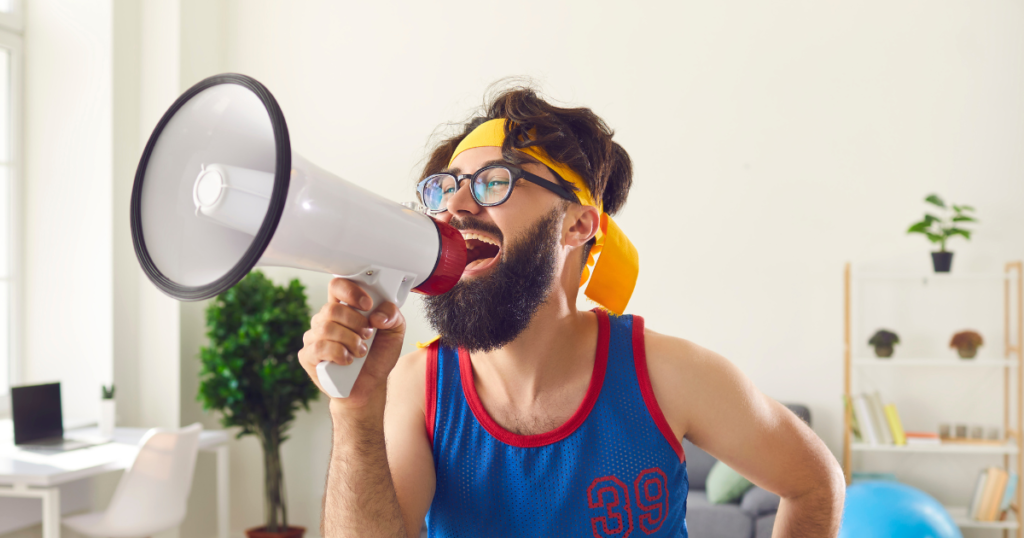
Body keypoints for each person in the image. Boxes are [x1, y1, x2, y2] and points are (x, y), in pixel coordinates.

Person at [298, 87, 845, 538]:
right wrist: (355, 414)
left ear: (578, 225)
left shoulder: (669, 375)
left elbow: (814, 483)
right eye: (447, 189)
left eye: (494, 182)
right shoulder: (420, 389)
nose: (457, 206)